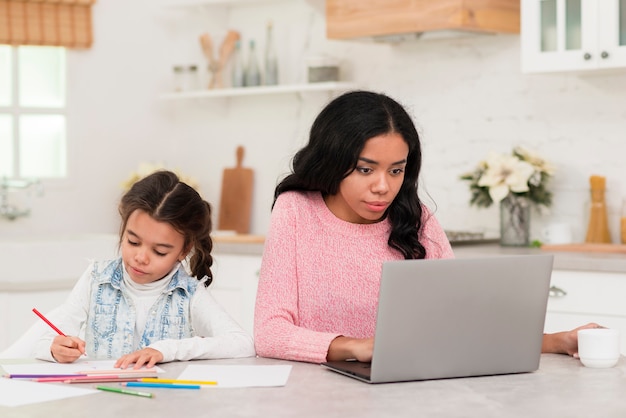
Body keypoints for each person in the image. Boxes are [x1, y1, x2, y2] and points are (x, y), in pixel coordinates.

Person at [253, 90, 599, 364]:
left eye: (396, 170)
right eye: (365, 169)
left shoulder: (415, 217)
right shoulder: (297, 210)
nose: (383, 187)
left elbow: (458, 326)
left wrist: (558, 340)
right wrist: (354, 347)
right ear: (333, 161)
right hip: (318, 396)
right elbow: (269, 333)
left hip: (412, 392)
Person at [34, 170, 255, 368]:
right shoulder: (96, 278)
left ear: (183, 250)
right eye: (132, 242)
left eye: (159, 251)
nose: (140, 258)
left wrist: (167, 350)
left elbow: (242, 343)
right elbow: (45, 341)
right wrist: (55, 349)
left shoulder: (189, 293)